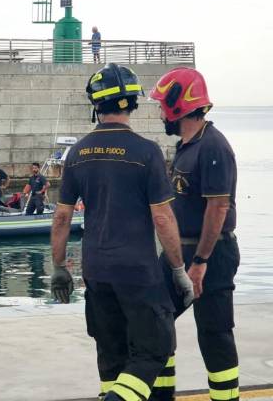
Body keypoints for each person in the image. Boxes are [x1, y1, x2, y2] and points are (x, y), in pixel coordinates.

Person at [50, 63, 194, 401]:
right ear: (132, 102)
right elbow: (163, 219)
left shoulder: (77, 152)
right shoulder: (146, 152)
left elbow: (61, 217)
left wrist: (58, 267)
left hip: (96, 273)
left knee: (112, 357)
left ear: (96, 106)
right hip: (138, 273)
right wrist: (177, 270)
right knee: (153, 352)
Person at [149, 67, 240, 401]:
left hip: (210, 255)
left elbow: (218, 209)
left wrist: (200, 261)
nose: (160, 113)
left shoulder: (213, 147)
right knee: (155, 322)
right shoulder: (188, 145)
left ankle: (226, 398)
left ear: (178, 105)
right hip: (179, 253)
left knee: (214, 332)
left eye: (162, 106)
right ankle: (161, 395)